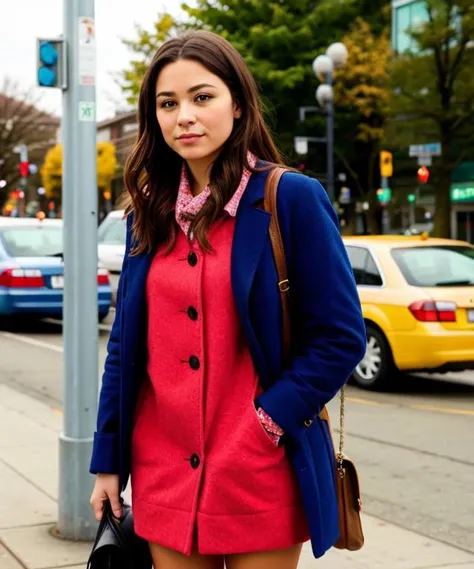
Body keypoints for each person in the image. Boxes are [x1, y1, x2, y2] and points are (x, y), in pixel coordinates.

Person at [89, 30, 366, 569]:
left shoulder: (291, 199)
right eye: (167, 104)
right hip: (162, 470)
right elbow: (123, 350)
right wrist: (108, 462)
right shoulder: (146, 215)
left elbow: (339, 337)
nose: (184, 116)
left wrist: (269, 421)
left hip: (258, 468)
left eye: (202, 96)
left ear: (237, 104)